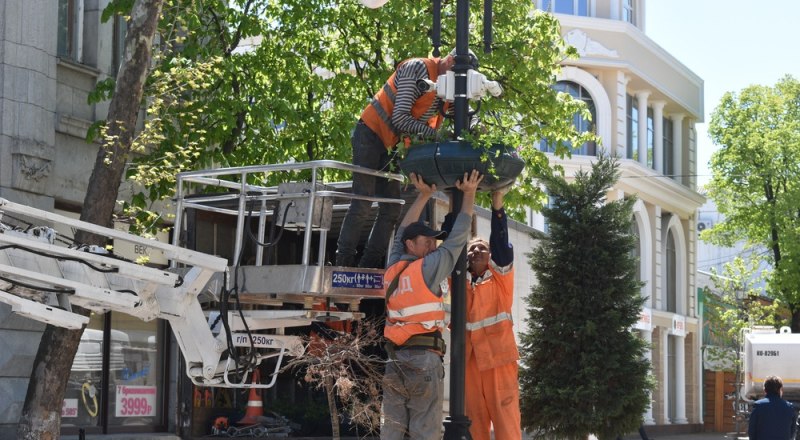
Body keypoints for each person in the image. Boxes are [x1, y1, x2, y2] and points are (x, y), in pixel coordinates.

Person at [381, 170, 483, 440]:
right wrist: (469, 195)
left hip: (395, 360)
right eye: (426, 242)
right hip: (423, 361)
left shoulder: (393, 267)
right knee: (424, 430)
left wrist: (423, 195)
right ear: (411, 246)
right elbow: (458, 239)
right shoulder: (426, 268)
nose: (431, 246)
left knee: (391, 427)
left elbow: (403, 230)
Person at [335, 53, 456, 268]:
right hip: (371, 133)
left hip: (393, 144)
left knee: (392, 208)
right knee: (363, 199)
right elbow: (400, 118)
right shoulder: (417, 69)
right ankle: (343, 263)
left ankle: (368, 266)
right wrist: (434, 136)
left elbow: (456, 120)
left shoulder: (448, 87)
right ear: (450, 62)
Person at [464, 187, 521, 440]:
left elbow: (500, 245)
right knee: (475, 425)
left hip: (499, 361)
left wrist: (497, 206)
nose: (475, 252)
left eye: (481, 249)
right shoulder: (461, 284)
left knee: (506, 423)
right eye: (471, 249)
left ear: (490, 258)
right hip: (470, 363)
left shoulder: (499, 280)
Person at [748, 375, 798, 440]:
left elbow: (752, 431)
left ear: (765, 390)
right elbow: (792, 432)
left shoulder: (758, 406)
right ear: (780, 390)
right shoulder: (790, 407)